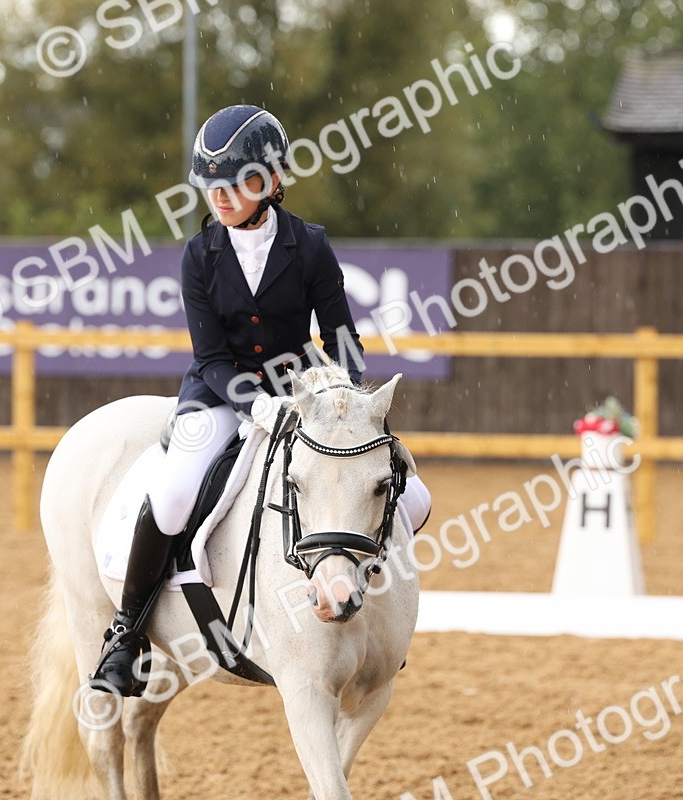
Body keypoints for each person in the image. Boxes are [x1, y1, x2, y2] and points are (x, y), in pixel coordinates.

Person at [91, 104, 431, 697]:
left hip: (301, 389)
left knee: (416, 496)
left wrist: (346, 398)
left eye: (235, 184)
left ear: (270, 182)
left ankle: (374, 610)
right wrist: (255, 403)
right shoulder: (200, 255)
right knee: (172, 496)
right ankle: (126, 633)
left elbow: (341, 335)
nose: (220, 198)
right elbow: (213, 356)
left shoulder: (310, 246)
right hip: (218, 394)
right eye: (212, 186)